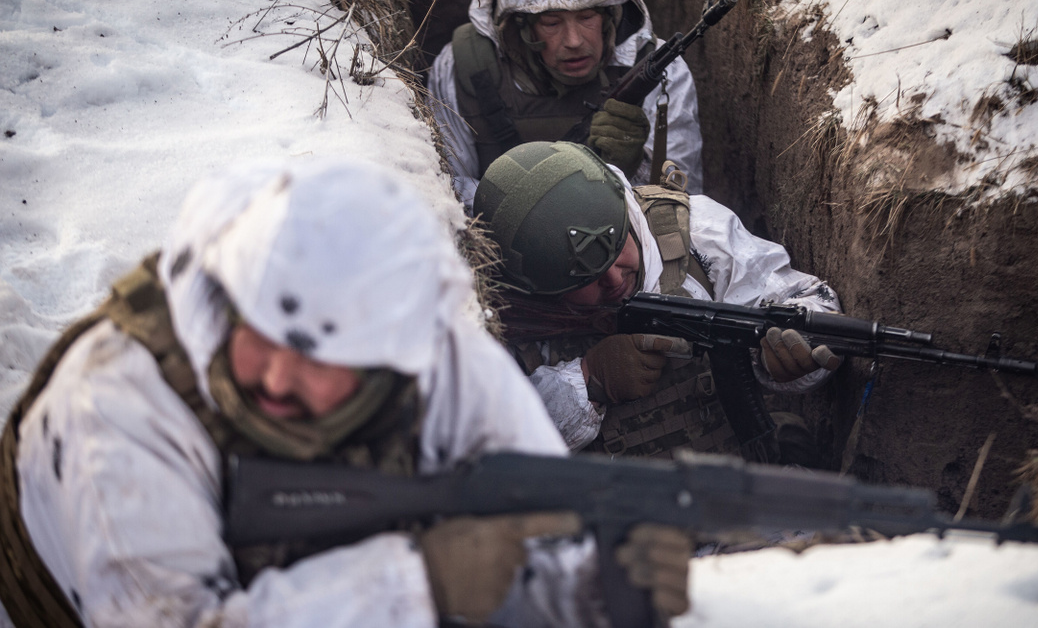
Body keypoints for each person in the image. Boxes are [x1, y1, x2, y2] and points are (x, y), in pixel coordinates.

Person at [0, 159, 689, 627]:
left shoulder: (421, 344)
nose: (275, 377)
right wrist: (419, 584)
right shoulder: (117, 411)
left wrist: (589, 581)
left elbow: (539, 513)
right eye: (260, 338)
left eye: (316, 358)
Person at [473, 141, 842, 462]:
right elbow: (480, 448)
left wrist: (791, 356)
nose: (615, 279)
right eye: (585, 280)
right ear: (538, 288)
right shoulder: (486, 309)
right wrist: (587, 381)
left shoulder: (693, 234)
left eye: (618, 250)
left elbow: (799, 296)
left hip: (736, 496)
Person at [427, 0, 704, 211]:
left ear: (610, 16)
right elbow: (446, 191)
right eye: (551, 22)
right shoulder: (466, 68)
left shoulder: (660, 70)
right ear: (521, 25)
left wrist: (635, 168)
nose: (574, 41)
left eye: (587, 17)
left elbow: (681, 205)